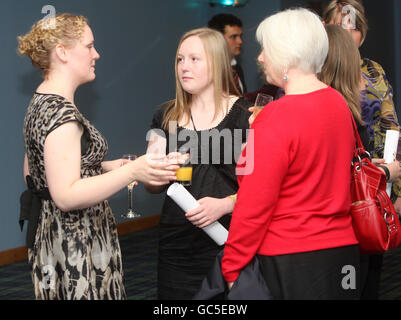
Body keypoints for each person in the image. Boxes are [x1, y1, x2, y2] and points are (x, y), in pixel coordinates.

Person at [18, 13, 180, 300]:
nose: (97, 54)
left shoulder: (41, 101)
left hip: (52, 233)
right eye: (89, 46)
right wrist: (132, 172)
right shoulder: (62, 115)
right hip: (75, 242)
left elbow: (34, 170)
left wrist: (106, 166)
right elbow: (66, 196)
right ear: (63, 52)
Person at [221, 8, 361, 300]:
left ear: (286, 55)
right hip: (343, 253)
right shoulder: (338, 103)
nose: (260, 57)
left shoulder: (276, 115)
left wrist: (232, 268)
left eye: (265, 49)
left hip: (291, 258)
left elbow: (254, 203)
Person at [145, 27, 252, 299]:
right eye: (180, 59)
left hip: (228, 238)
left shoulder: (244, 115)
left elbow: (259, 185)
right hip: (177, 241)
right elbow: (152, 186)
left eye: (194, 59)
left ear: (216, 63)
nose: (184, 67)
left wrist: (226, 204)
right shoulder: (165, 115)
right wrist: (157, 171)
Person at [323, 0, 401, 299]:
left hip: (375, 181)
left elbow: (391, 127)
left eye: (354, 26)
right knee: (342, 275)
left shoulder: (373, 70)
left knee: (372, 265)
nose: (347, 33)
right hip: (337, 188)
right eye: (340, 25)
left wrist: (393, 188)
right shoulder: (314, 75)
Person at [208, 13, 247, 94]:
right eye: (234, 37)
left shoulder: (236, 68)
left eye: (240, 36)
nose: (240, 41)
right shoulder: (207, 70)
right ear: (217, 39)